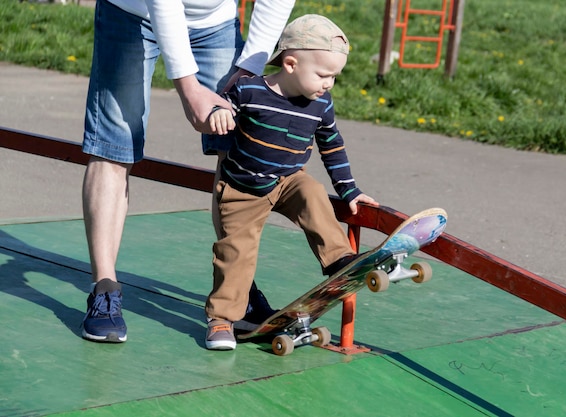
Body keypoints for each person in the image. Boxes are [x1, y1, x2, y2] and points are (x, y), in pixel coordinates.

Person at [80, 0, 295, 343]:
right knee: (114, 143)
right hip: (132, 12)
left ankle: (235, 290)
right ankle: (104, 289)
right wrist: (188, 88)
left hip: (215, 22)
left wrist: (250, 67)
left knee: (238, 147)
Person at [204, 14, 379, 350]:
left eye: (334, 77)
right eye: (323, 74)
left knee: (312, 192)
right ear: (290, 63)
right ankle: (221, 320)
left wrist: (349, 190)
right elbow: (220, 109)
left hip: (287, 181)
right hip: (243, 190)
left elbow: (332, 146)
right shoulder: (249, 89)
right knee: (236, 252)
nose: (328, 83)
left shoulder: (321, 105)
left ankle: (338, 259)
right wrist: (218, 113)